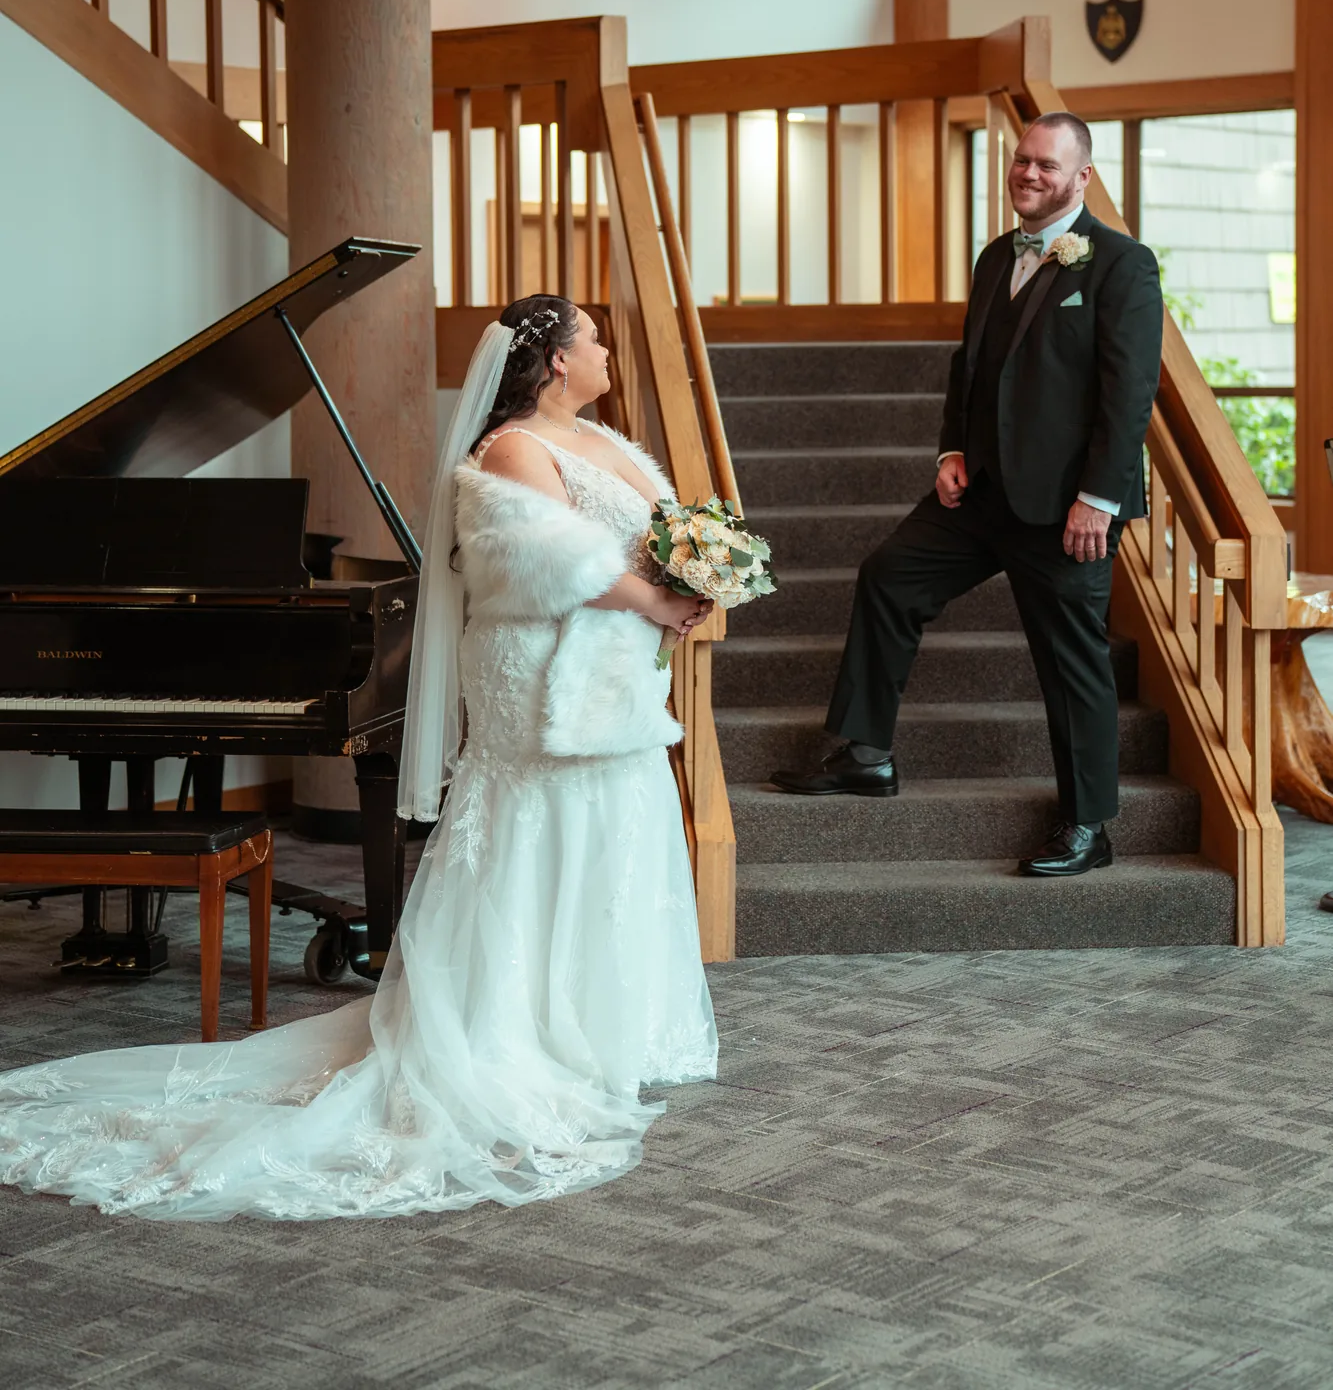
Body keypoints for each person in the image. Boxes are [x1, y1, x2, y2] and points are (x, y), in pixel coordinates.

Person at [0, 298, 716, 1219]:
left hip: (610, 677)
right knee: (536, 827)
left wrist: (692, 579)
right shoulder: (509, 450)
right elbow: (538, 566)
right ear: (553, 363)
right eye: (592, 338)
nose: (608, 347)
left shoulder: (610, 443)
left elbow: (652, 538)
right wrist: (655, 603)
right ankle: (520, 1026)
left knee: (612, 829)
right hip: (539, 675)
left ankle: (604, 1024)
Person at [771, 114, 1163, 879]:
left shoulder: (1120, 264)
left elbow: (1128, 395)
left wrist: (1099, 500)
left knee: (1071, 661)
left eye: (1047, 166)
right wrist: (951, 449)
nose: (1028, 174)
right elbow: (970, 367)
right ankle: (866, 753)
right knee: (889, 576)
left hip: (1064, 509)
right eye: (1021, 160)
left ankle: (1088, 825)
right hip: (979, 492)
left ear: (1081, 177)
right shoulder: (995, 257)